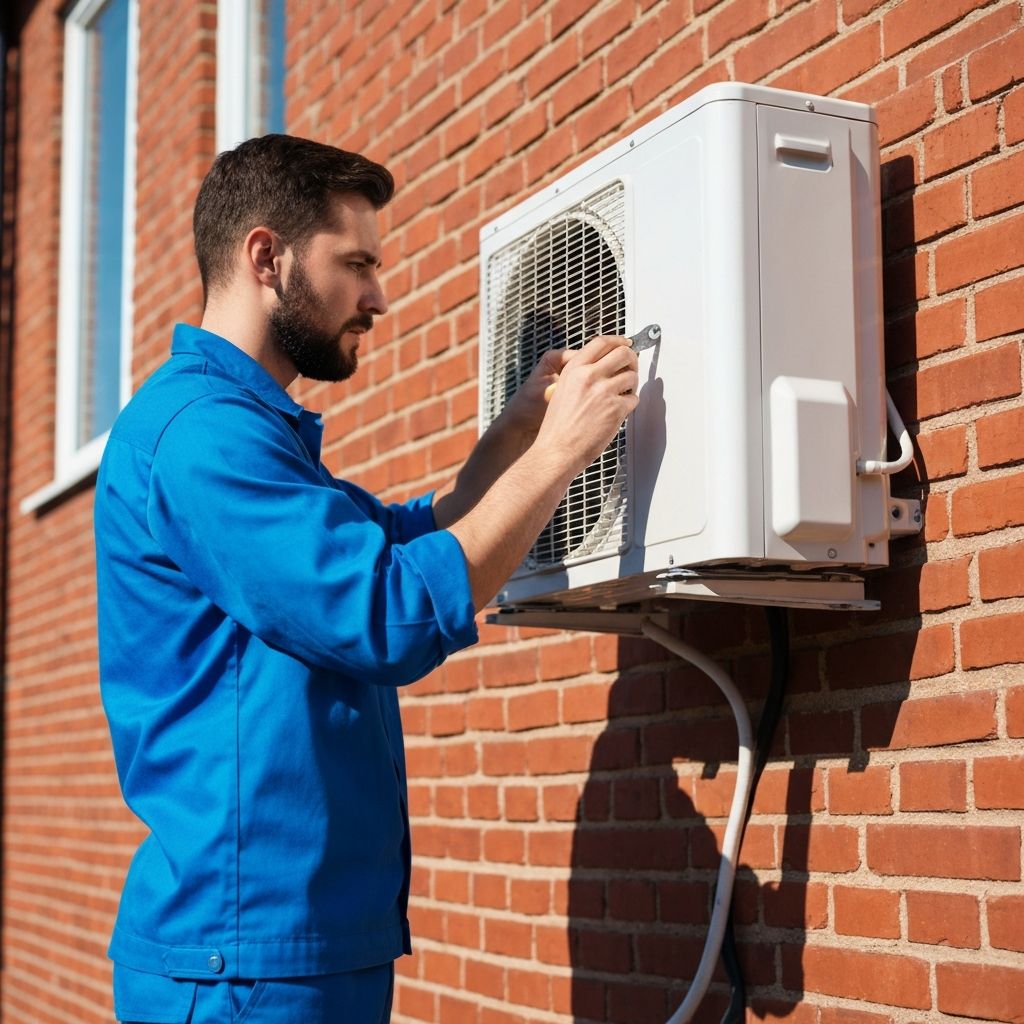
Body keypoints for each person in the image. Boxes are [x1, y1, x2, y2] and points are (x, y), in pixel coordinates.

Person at [94, 134, 638, 1024]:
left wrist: (511, 439)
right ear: (266, 257)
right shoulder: (201, 436)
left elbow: (392, 540)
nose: (379, 296)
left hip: (295, 949)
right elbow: (385, 611)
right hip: (243, 967)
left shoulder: (250, 433)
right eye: (356, 264)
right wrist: (563, 453)